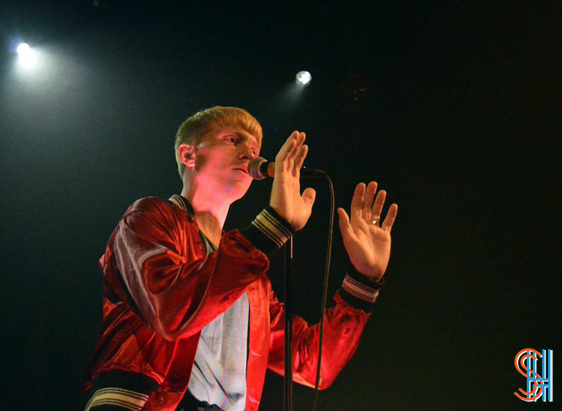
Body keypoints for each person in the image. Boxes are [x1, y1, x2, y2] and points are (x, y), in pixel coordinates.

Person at [83, 107, 398, 411]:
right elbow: (170, 311)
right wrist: (271, 227)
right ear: (188, 155)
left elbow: (312, 363)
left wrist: (363, 280)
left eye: (255, 145)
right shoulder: (149, 218)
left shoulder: (251, 278)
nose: (249, 152)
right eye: (232, 139)